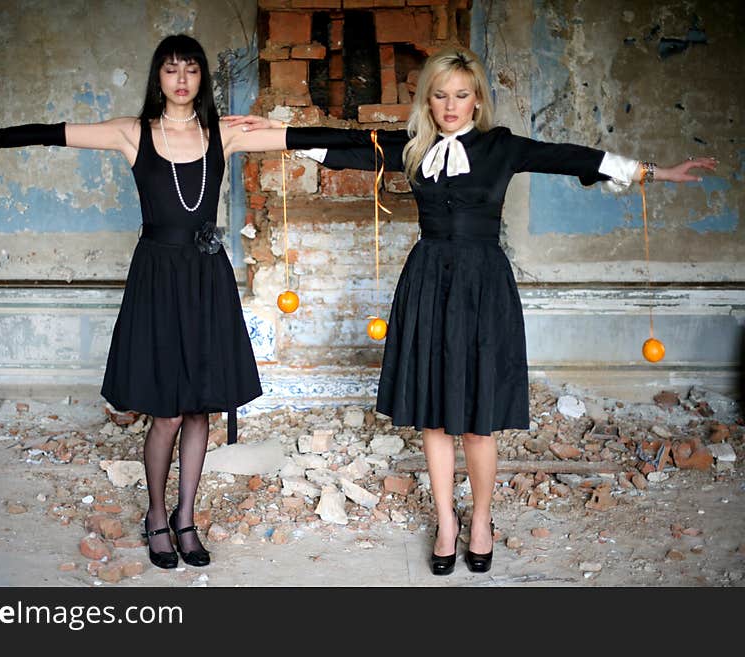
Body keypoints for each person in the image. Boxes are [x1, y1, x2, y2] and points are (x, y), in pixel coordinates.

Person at [223, 46, 717, 575]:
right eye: (440, 96)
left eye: (461, 95)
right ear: (428, 100)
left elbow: (569, 156)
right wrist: (261, 132)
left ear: (477, 99)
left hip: (484, 287)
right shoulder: (414, 147)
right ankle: (446, 523)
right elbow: (341, 145)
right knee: (435, 420)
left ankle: (481, 520)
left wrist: (656, 172)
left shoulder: (501, 148)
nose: (451, 105)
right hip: (428, 282)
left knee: (479, 423)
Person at [0, 34, 294, 570]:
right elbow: (51, 134)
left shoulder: (223, 136)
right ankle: (156, 517)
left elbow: (299, 138)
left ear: (202, 78)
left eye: (191, 70)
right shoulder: (131, 132)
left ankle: (186, 518)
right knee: (165, 412)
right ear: (158, 78)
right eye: (171, 70)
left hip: (206, 278)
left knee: (198, 409)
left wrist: (385, 141)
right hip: (158, 278)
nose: (182, 80)